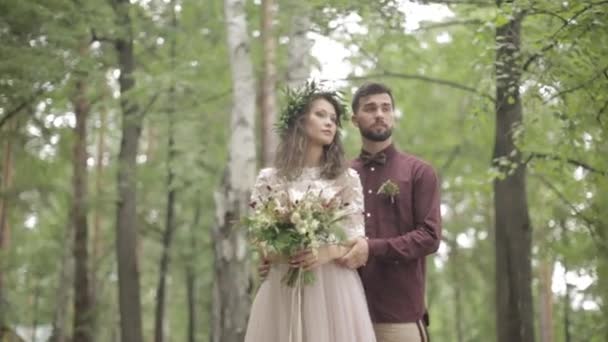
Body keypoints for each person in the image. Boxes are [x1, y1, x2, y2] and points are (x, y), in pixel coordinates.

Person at [244, 84, 376, 342]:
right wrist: (281, 252)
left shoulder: (346, 179)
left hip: (334, 286)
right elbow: (258, 235)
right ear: (301, 121)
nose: (329, 123)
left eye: (334, 119)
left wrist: (326, 252)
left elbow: (355, 234)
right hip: (283, 283)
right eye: (321, 115)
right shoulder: (269, 179)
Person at [338, 82, 442, 342]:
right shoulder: (340, 177)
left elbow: (430, 236)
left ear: (394, 115)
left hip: (400, 316)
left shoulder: (419, 172)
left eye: (386, 108)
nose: (379, 114)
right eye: (370, 108)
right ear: (354, 119)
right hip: (345, 311)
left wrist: (372, 248)